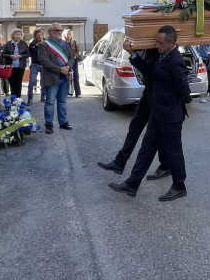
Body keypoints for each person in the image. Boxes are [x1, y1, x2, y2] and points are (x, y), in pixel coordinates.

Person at [109, 25, 191, 201]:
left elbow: (185, 90)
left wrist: (168, 97)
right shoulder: (163, 55)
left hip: (170, 115)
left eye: (160, 42)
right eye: (156, 41)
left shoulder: (176, 60)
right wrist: (132, 54)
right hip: (158, 112)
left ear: (171, 43)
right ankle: (132, 184)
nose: (157, 45)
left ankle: (179, 186)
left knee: (174, 151)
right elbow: (149, 72)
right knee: (146, 149)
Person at [98, 49, 170, 178]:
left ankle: (166, 166)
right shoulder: (150, 48)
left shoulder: (160, 50)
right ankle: (119, 163)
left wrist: (133, 54)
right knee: (135, 128)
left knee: (157, 134)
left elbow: (149, 71)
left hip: (157, 97)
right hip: (148, 93)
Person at [37, 22, 75, 134]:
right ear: (50, 32)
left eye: (60, 30)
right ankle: (49, 124)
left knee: (62, 101)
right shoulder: (44, 45)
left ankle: (63, 122)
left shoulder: (65, 44)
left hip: (64, 76)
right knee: (49, 102)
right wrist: (60, 69)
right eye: (56, 30)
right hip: (51, 77)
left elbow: (72, 57)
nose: (59, 32)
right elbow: (45, 61)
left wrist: (68, 66)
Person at [1, 29, 30, 98]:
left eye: (19, 34)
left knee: (19, 83)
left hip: (21, 67)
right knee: (12, 83)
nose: (18, 36)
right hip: (10, 67)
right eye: (16, 34)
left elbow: (28, 54)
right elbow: (3, 54)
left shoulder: (23, 43)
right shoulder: (8, 44)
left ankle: (18, 99)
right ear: (13, 35)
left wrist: (21, 56)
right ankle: (13, 99)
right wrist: (10, 56)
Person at [27, 28, 46, 106]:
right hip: (34, 64)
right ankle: (30, 99)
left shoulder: (47, 43)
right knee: (31, 81)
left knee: (44, 82)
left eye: (41, 34)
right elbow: (29, 54)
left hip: (44, 65)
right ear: (35, 36)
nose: (40, 36)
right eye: (38, 35)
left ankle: (43, 97)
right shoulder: (32, 44)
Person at [62, 29, 82, 98]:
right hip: (66, 61)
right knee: (67, 77)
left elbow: (77, 51)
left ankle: (78, 93)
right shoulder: (62, 42)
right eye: (67, 34)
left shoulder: (74, 42)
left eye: (70, 34)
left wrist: (75, 56)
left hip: (74, 61)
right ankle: (68, 93)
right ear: (64, 35)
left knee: (76, 76)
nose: (68, 35)